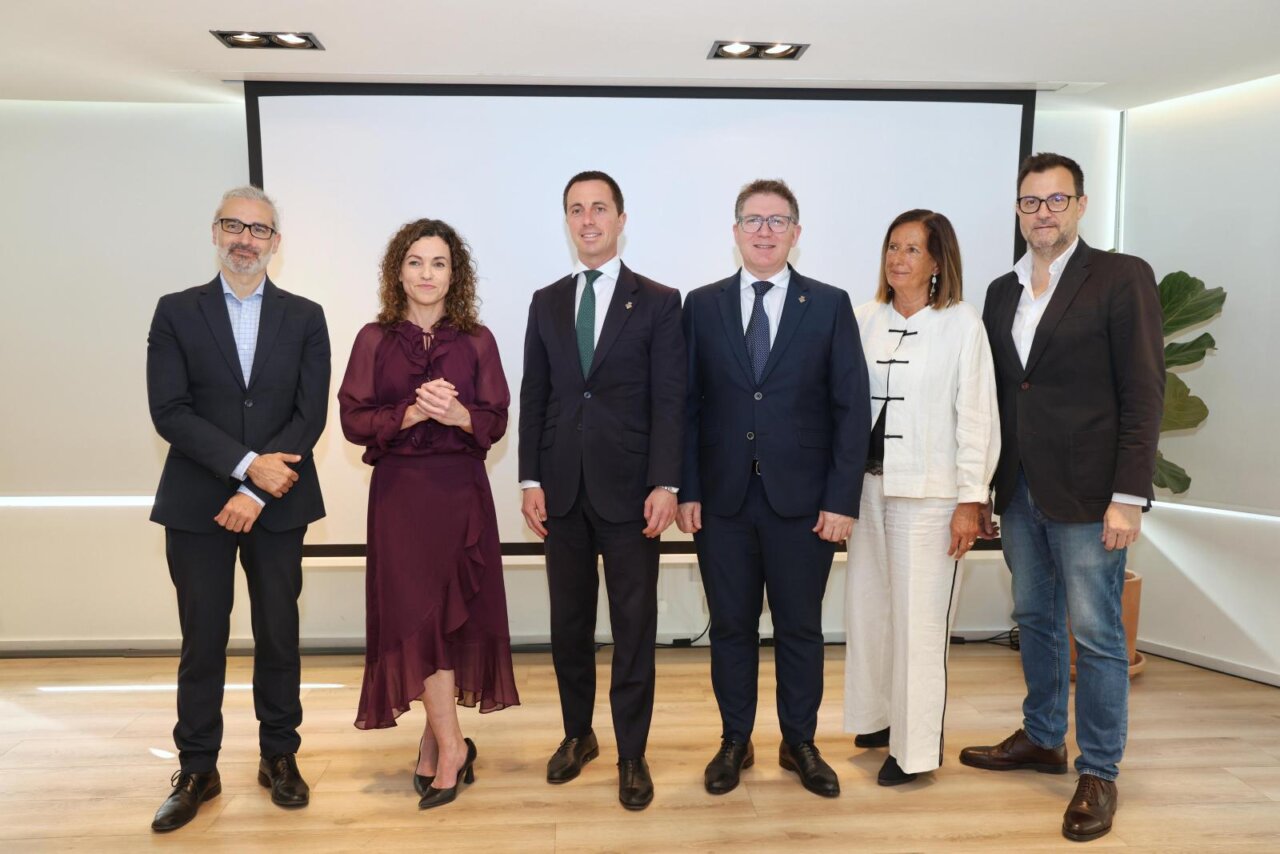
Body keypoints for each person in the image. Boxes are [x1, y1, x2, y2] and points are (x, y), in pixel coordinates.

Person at [960, 153, 1164, 842]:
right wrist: (983, 485)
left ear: (1080, 205)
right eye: (1029, 202)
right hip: (1017, 486)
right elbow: (996, 395)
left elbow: (1143, 390)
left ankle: (1099, 770)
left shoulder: (1120, 276)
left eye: (1055, 200)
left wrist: (1128, 494)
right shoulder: (999, 289)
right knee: (1034, 618)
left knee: (1098, 635)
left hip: (1090, 492)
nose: (1042, 213)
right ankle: (1044, 737)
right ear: (1017, 210)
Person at [146, 186, 330, 832]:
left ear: (276, 242)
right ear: (216, 232)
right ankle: (198, 767)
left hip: (279, 507)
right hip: (197, 506)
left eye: (259, 230)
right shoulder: (175, 313)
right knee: (204, 641)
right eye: (234, 226)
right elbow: (169, 411)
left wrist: (257, 488)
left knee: (280, 635)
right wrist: (245, 466)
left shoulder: (307, 317)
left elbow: (309, 415)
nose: (245, 239)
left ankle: (280, 757)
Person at [677, 179, 869, 798]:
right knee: (731, 627)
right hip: (723, 502)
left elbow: (851, 408)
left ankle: (800, 742)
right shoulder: (701, 306)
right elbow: (687, 406)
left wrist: (842, 499)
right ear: (735, 231)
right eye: (753, 220)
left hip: (804, 503)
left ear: (796, 232)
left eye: (777, 220)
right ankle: (735, 741)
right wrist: (687, 489)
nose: (764, 230)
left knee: (800, 628)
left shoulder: (831, 304)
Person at [338, 218, 519, 810]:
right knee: (415, 621)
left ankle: (441, 746)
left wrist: (457, 415)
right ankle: (452, 745)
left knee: (445, 622)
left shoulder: (477, 340)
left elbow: (494, 420)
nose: (426, 274)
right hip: (399, 498)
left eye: (438, 263)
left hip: (460, 496)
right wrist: (410, 416)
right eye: (415, 262)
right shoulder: (372, 338)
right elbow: (353, 420)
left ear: (454, 274)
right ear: (399, 271)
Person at [518, 170, 685, 810]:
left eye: (599, 209)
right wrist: (529, 476)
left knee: (634, 626)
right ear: (567, 221)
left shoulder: (659, 300)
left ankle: (632, 753)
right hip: (560, 491)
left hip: (632, 494)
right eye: (576, 210)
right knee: (569, 625)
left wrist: (667, 481)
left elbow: (670, 400)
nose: (587, 220)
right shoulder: (546, 300)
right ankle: (577, 735)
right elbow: (537, 393)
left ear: (620, 219)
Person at [842, 210, 1000, 786]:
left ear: (937, 262)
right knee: (872, 613)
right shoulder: (862, 318)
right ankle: (879, 717)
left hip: (932, 498)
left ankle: (914, 749)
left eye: (912, 249)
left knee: (921, 625)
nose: (898, 258)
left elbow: (977, 416)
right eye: (892, 246)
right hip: (867, 490)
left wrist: (970, 499)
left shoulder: (961, 324)